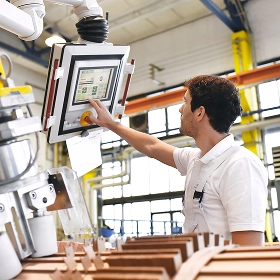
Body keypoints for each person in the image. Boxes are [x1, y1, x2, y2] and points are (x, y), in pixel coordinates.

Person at [87, 74, 268, 246]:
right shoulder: (196, 160)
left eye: (185, 102)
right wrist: (111, 124)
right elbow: (152, 147)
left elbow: (248, 247)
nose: (180, 109)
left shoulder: (240, 165)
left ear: (200, 113)